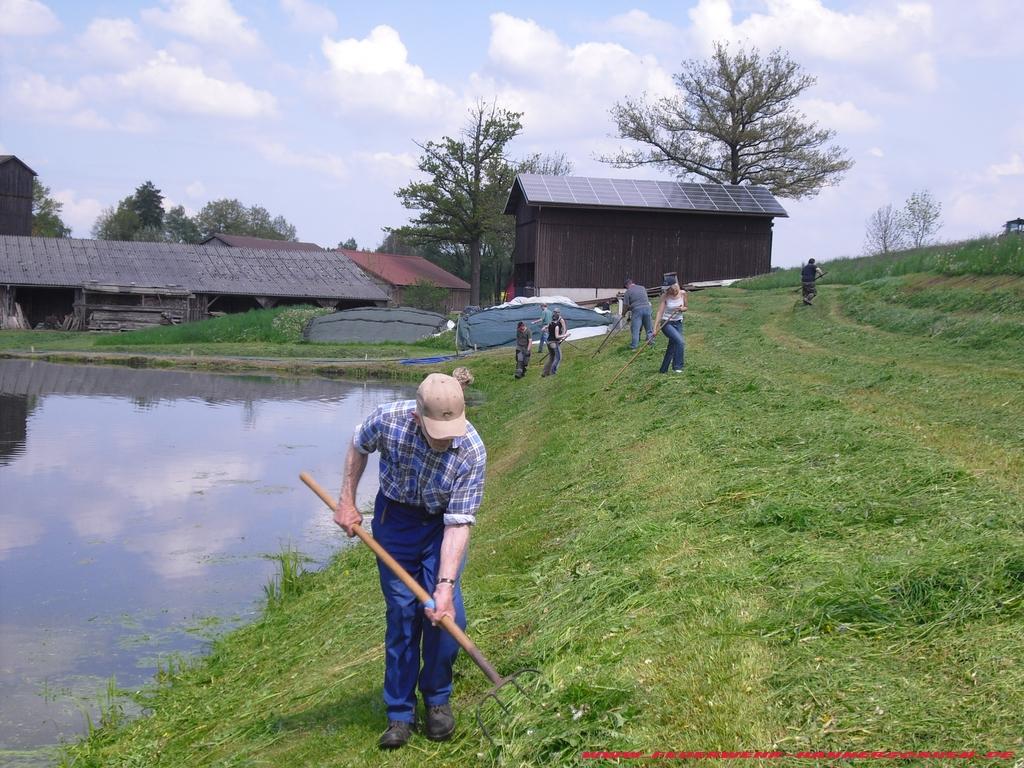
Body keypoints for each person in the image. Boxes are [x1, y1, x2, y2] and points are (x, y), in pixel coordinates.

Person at [333, 373, 487, 749]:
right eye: (438, 431)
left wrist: (446, 587)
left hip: (440, 526)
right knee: (403, 614)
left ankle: (436, 700)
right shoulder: (387, 419)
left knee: (444, 614)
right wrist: (347, 501)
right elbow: (358, 445)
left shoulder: (471, 450)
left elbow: (459, 523)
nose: (446, 438)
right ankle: (400, 713)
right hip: (396, 522)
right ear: (417, 418)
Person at [652, 281, 687, 373]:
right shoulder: (665, 296)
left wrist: (681, 309)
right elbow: (660, 312)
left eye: (669, 289)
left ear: (674, 287)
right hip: (666, 323)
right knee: (680, 342)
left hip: (678, 323)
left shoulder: (683, 293)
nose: (668, 291)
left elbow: (686, 307)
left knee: (672, 346)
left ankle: (663, 369)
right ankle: (677, 367)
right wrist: (655, 328)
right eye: (667, 289)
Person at [623, 279, 653, 350]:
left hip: (637, 311)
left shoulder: (628, 292)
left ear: (627, 285)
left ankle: (634, 346)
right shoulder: (642, 288)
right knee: (649, 328)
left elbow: (625, 305)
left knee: (635, 329)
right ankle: (651, 343)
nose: (626, 288)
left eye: (626, 287)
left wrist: (623, 314)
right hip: (647, 308)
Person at [541, 309, 568, 377]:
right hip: (554, 342)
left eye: (557, 312)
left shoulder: (553, 323)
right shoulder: (556, 326)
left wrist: (562, 335)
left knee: (551, 357)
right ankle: (553, 372)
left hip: (549, 342)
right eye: (555, 312)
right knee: (558, 357)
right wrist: (564, 335)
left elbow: (564, 329)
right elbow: (557, 335)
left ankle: (545, 373)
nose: (556, 313)